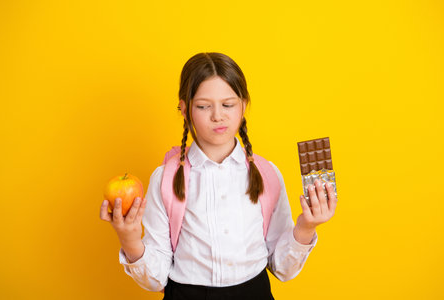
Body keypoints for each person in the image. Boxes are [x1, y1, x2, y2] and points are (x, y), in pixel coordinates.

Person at [100, 52, 338, 300]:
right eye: (204, 106)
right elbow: (156, 278)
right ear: (184, 109)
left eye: (228, 104)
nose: (217, 115)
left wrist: (306, 227)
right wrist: (129, 239)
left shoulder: (267, 174)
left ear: (243, 105)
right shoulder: (165, 178)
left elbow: (282, 269)